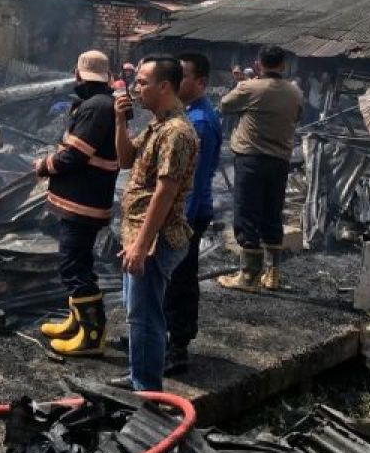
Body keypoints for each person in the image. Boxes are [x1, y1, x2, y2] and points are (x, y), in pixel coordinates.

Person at [110, 56, 198, 391]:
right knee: (136, 314)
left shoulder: (177, 132)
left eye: (143, 82)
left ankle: (146, 390)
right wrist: (120, 122)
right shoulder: (156, 124)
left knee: (146, 316)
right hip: (138, 236)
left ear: (164, 86)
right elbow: (124, 160)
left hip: (155, 239)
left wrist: (142, 244)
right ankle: (138, 375)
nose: (136, 88)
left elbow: (165, 192)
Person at [34, 50, 119, 356]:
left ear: (78, 74)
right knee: (78, 262)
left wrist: (45, 165)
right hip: (81, 200)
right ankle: (78, 323)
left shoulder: (96, 107)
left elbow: (75, 154)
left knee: (73, 266)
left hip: (83, 202)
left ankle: (92, 336)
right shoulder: (98, 104)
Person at [217, 45, 303, 291]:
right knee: (272, 214)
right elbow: (296, 116)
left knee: (247, 214)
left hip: (251, 159)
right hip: (280, 162)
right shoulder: (295, 93)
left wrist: (241, 84)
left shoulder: (249, 87)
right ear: (283, 65)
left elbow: (225, 105)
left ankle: (248, 277)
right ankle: (272, 274)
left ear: (258, 64)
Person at [164, 52, 222, 375]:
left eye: (182, 76)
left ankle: (178, 347)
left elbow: (194, 182)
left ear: (200, 82)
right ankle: (164, 338)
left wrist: (178, 222)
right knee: (174, 277)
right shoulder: (189, 114)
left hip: (189, 214)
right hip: (190, 211)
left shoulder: (198, 122)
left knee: (180, 278)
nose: (175, 81)